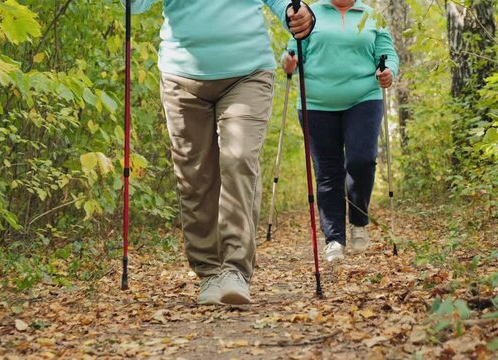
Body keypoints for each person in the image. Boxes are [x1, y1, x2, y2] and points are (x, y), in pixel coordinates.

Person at [120, 0, 315, 305]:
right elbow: (137, 5)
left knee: (239, 159)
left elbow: (283, 4)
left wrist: (300, 14)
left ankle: (235, 269)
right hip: (180, 76)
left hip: (247, 72)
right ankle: (209, 271)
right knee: (194, 173)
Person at [283, 0, 399, 262]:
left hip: (364, 97)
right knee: (327, 171)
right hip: (316, 103)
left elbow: (387, 54)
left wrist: (388, 70)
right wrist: (289, 62)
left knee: (362, 160)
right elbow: (292, 51)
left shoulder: (371, 15)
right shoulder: (310, 13)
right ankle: (334, 238)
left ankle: (358, 221)